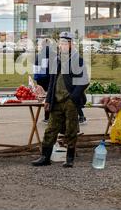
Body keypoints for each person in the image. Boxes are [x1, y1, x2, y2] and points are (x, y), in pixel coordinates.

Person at [31, 32, 89, 168]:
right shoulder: (56, 60)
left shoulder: (77, 60)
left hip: (70, 100)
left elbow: (84, 81)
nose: (62, 45)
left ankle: (69, 159)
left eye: (65, 43)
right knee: (50, 129)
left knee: (71, 130)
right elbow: (52, 81)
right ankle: (45, 157)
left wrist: (74, 96)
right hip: (56, 100)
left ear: (71, 44)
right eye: (61, 43)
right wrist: (48, 99)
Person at [33, 39, 53, 124]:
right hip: (51, 78)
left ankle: (46, 117)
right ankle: (51, 116)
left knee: (44, 98)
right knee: (51, 97)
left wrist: (36, 78)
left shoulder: (39, 54)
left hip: (41, 78)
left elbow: (36, 66)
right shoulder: (54, 54)